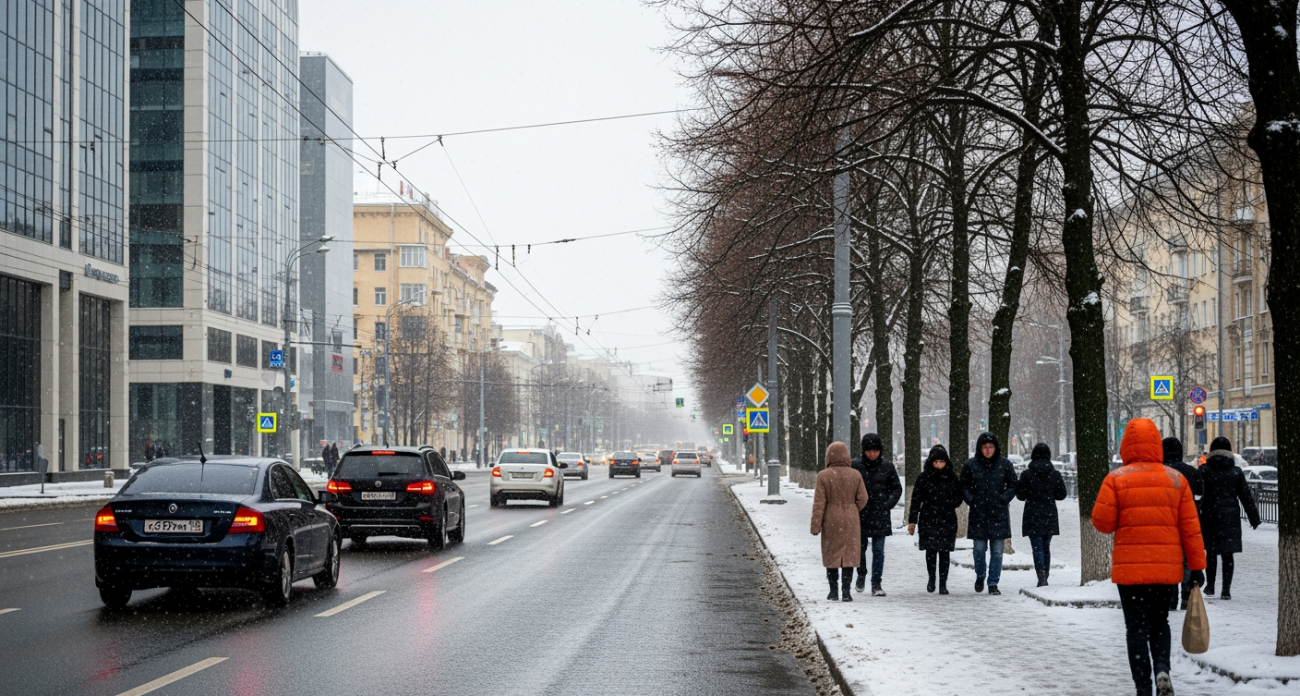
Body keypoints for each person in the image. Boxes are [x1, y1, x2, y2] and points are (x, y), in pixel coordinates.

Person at [1092, 418, 1206, 696]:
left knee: (1135, 629)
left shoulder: (1116, 479)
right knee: (1160, 622)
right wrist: (1197, 567)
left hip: (1131, 571)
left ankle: (1143, 687)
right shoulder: (1176, 480)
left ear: (1126, 446)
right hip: (1165, 570)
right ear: (1156, 444)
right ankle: (1162, 670)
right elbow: (1191, 529)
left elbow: (1102, 523)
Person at [1199, 436, 1261, 600]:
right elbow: (1246, 496)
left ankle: (1210, 586)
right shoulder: (1235, 472)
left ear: (1211, 451)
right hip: (1230, 518)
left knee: (1211, 553)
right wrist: (1254, 518)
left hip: (1210, 517)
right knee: (1228, 554)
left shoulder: (1205, 470)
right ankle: (1226, 590)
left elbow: (1199, 496)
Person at [811, 441, 870, 602]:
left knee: (831, 554)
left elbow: (819, 503)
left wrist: (816, 525)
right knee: (849, 555)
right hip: (851, 519)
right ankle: (846, 591)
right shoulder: (855, 474)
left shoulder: (823, 476)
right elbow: (864, 498)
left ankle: (833, 591)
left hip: (831, 518)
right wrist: (852, 508)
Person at [960, 432, 1018, 595]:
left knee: (997, 551)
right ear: (979, 448)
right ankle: (980, 575)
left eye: (990, 447)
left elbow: (1014, 484)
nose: (987, 450)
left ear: (995, 448)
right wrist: (971, 499)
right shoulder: (971, 465)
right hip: (978, 513)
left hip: (998, 513)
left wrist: (1003, 498)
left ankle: (993, 582)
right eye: (984, 447)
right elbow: (963, 485)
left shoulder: (1005, 464)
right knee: (978, 549)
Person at [851, 432, 902, 596]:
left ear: (880, 450)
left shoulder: (887, 467)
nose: (872, 454)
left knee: (879, 551)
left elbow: (897, 488)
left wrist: (888, 504)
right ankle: (861, 573)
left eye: (875, 451)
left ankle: (876, 584)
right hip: (861, 514)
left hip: (880, 514)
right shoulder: (855, 466)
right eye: (868, 451)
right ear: (863, 451)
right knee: (860, 549)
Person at [907, 445, 963, 594]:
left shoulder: (951, 477)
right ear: (931, 462)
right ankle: (932, 579)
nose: (939, 465)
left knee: (945, 552)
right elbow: (916, 500)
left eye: (942, 462)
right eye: (936, 462)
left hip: (947, 518)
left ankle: (943, 583)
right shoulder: (924, 477)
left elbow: (959, 496)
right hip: (928, 518)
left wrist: (949, 503)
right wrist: (912, 520)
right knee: (931, 551)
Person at [1016, 442, 1068, 587]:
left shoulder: (1026, 474)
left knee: (1037, 547)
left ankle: (1041, 575)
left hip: (1032, 514)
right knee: (1046, 546)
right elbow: (1062, 495)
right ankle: (1046, 573)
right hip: (1049, 514)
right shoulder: (1054, 474)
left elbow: (1020, 496)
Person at [1162, 437, 1204, 610]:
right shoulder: (1191, 472)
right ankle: (1186, 594)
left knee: (1170, 560)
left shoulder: (1159, 472)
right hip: (1187, 521)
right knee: (1186, 560)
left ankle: (1171, 598)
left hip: (1166, 523)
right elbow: (1201, 493)